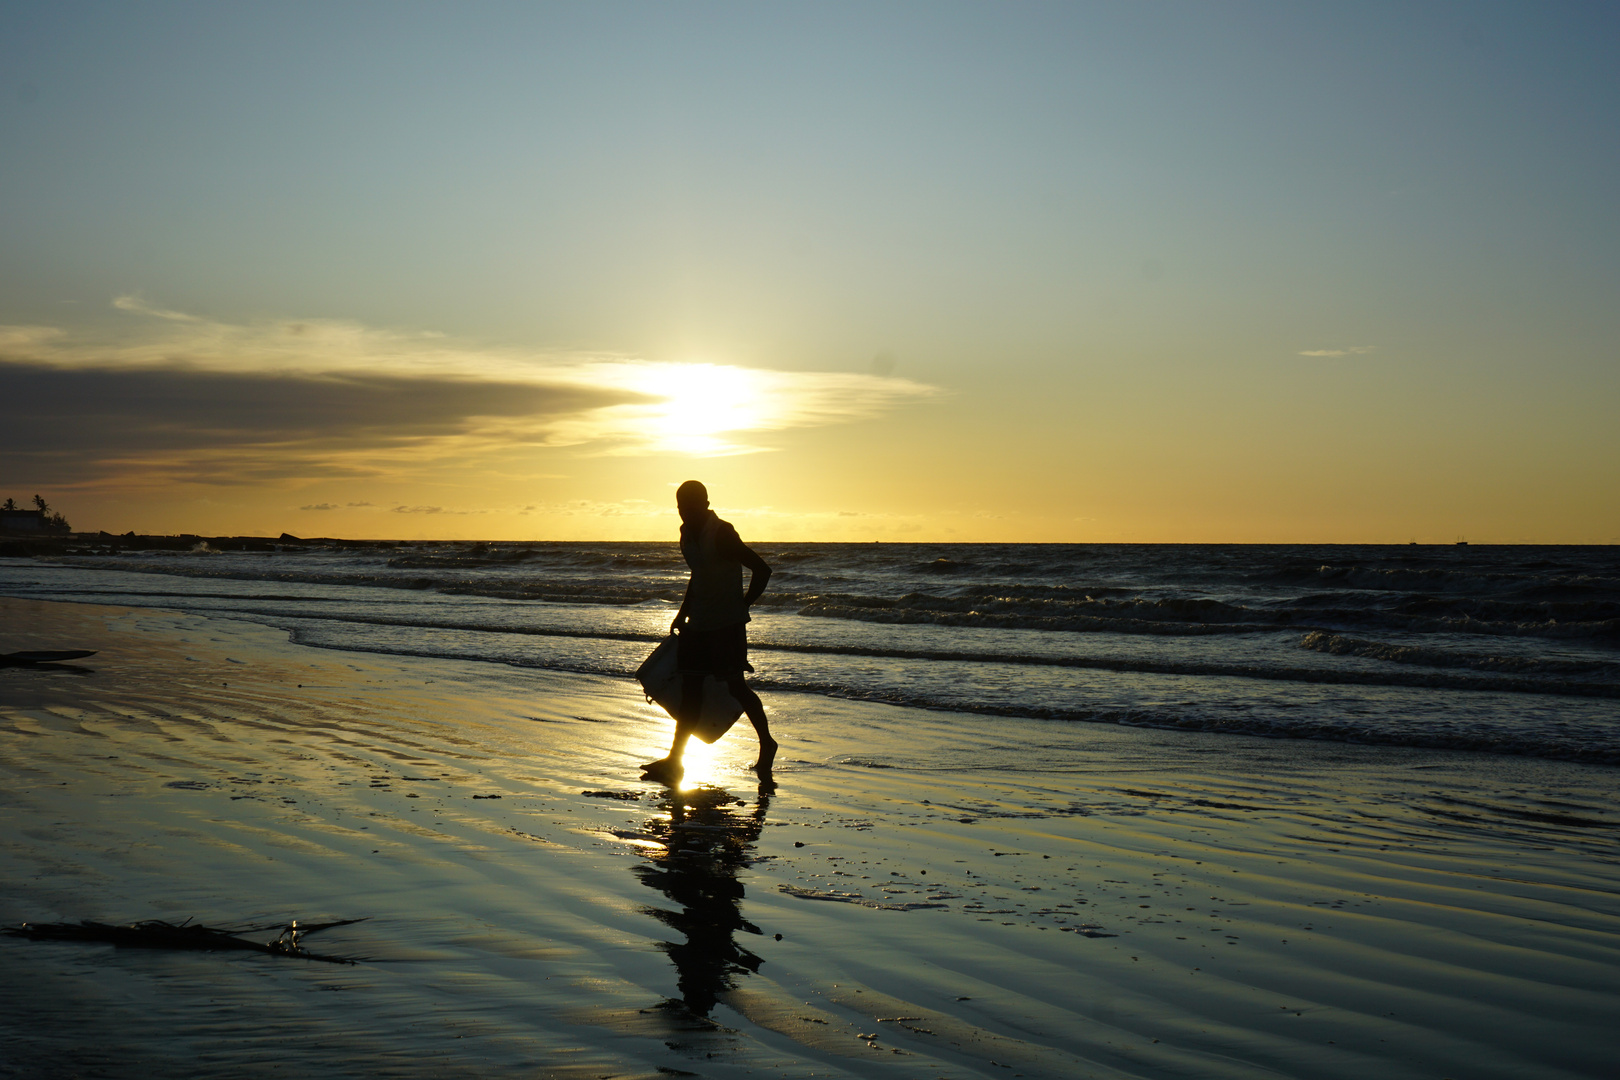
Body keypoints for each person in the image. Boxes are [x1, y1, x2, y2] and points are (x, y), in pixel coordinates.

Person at [641, 481, 776, 783]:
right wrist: (683, 612)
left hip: (726, 626)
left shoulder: (722, 533)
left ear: (704, 503)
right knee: (690, 692)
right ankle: (675, 761)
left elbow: (762, 570)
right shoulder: (686, 533)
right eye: (679, 507)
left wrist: (743, 605)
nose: (684, 513)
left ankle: (767, 744)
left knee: (735, 687)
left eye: (689, 507)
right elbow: (698, 574)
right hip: (698, 624)